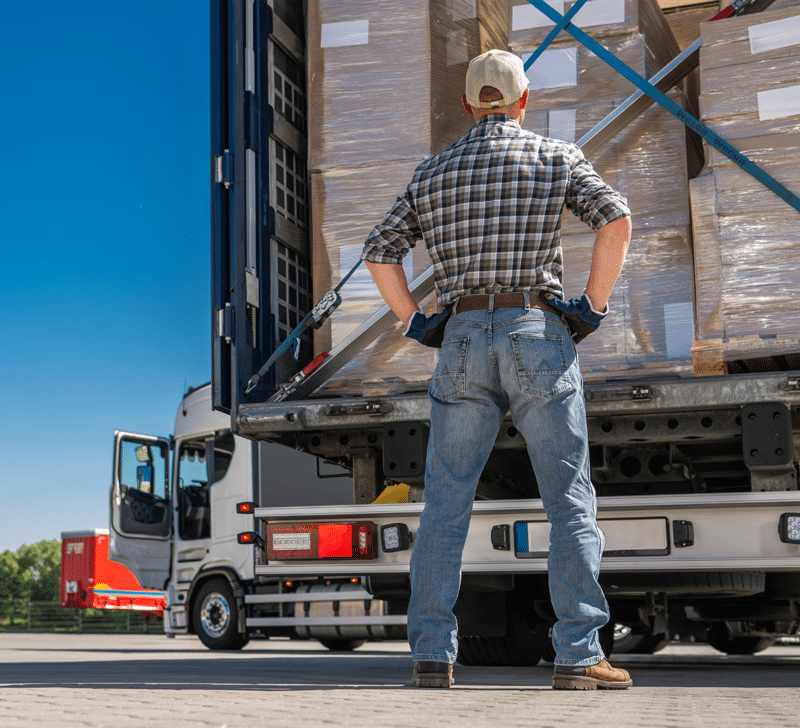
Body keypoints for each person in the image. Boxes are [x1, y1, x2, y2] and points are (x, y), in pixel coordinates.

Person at [360, 49, 633, 690]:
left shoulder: (433, 174)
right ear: (523, 100)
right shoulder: (555, 157)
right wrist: (591, 307)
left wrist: (414, 320)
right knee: (566, 498)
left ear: (466, 104)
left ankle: (432, 653)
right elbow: (616, 220)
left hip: (459, 337)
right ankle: (578, 655)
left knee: (446, 503)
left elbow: (379, 251)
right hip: (535, 330)